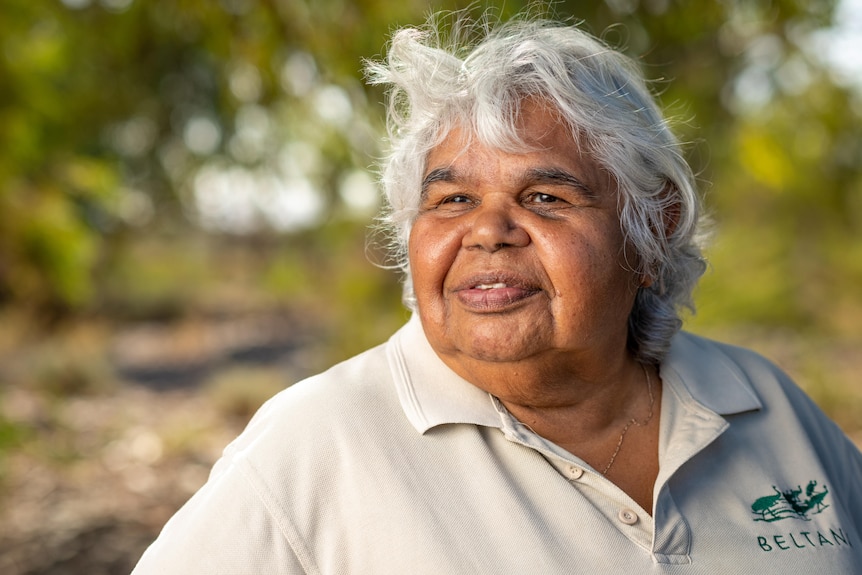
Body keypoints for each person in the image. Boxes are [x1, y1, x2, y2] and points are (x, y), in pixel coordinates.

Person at [132, 12, 862, 574]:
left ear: (652, 229)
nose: (488, 232)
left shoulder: (766, 404)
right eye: (449, 201)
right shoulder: (317, 441)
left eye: (545, 196)